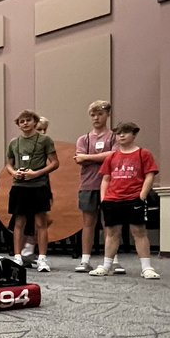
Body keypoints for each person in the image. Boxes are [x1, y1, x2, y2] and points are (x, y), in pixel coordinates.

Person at [88, 123, 160, 279]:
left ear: (134, 135)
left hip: (134, 199)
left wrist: (142, 195)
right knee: (112, 233)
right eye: (118, 133)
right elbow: (106, 179)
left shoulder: (143, 154)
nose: (121, 135)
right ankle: (107, 265)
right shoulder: (112, 157)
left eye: (125, 132)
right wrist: (104, 199)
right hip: (112, 200)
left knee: (139, 232)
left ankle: (146, 268)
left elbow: (150, 175)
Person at [4, 110, 58, 272]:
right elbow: (8, 164)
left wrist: (37, 173)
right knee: (19, 222)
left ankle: (42, 259)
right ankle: (18, 257)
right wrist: (14, 173)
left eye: (28, 120)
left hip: (39, 186)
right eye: (22, 121)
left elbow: (55, 163)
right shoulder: (14, 142)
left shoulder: (45, 140)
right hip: (19, 187)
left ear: (35, 122)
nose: (25, 123)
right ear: (18, 124)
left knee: (41, 223)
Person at [73, 100, 118, 273]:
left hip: (111, 185)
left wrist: (88, 157)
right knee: (88, 223)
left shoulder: (113, 137)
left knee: (111, 224)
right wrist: (99, 157)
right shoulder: (83, 139)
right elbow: (79, 158)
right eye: (93, 115)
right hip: (88, 185)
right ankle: (85, 260)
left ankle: (112, 261)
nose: (96, 118)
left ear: (107, 115)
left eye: (100, 114)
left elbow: (114, 155)